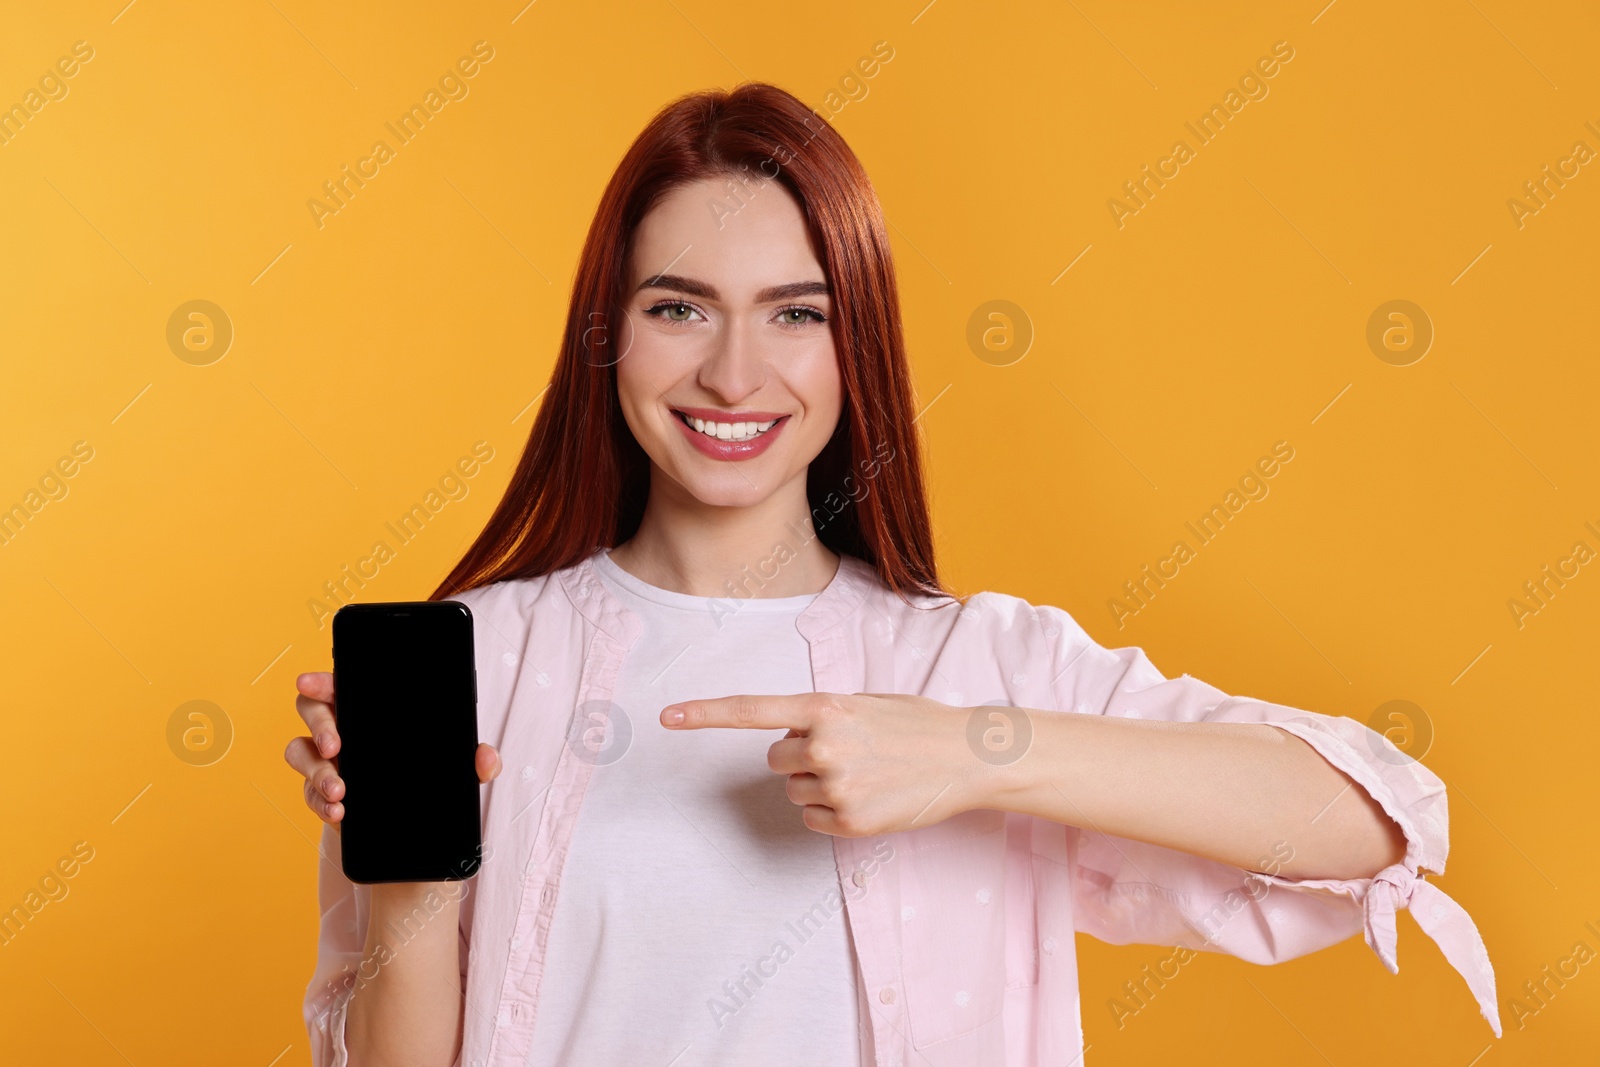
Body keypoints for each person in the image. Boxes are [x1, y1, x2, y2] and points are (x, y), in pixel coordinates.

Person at [284, 82, 1501, 1066]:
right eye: (679, 308)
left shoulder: (972, 665)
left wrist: (975, 753)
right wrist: (409, 870)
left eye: (797, 313)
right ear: (608, 334)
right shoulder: (480, 658)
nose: (733, 372)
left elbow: (1374, 818)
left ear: (855, 340)